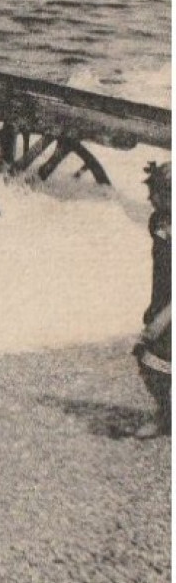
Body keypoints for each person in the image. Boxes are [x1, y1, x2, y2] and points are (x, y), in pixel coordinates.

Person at [133, 161, 170, 439]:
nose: (149, 198)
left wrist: (164, 317)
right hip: (163, 297)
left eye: (154, 191)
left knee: (153, 358)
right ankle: (168, 414)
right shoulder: (157, 221)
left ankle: (166, 416)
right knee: (149, 358)